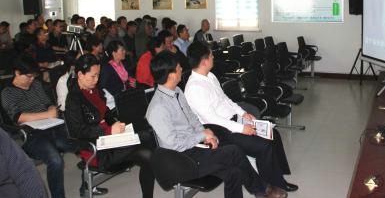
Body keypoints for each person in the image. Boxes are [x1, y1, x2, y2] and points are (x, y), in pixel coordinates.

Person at [146, 51, 286, 198]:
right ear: (171, 74)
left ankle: (261, 190)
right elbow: (173, 144)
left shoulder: (177, 91)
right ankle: (263, 190)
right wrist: (201, 136)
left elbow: (192, 118)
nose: (182, 69)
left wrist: (206, 134)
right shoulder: (158, 108)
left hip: (195, 145)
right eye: (179, 67)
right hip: (180, 159)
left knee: (234, 172)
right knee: (234, 151)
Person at [184, 41, 298, 192]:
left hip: (233, 121)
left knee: (273, 134)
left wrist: (243, 113)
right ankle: (270, 187)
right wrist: (242, 128)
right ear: (204, 61)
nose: (213, 57)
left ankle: (278, 178)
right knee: (264, 145)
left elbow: (226, 100)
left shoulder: (210, 76)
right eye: (211, 55)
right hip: (222, 131)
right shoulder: (194, 88)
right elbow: (212, 120)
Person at [65, 54, 155, 198]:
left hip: (109, 140)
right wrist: (108, 129)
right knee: (145, 140)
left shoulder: (95, 89)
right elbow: (78, 131)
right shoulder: (74, 99)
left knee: (147, 145)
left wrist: (115, 123)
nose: (97, 80)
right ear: (80, 74)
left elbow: (105, 113)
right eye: (93, 76)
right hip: (96, 148)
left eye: (98, 75)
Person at [1, 55, 79, 198]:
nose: (31, 80)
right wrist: (48, 114)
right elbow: (18, 117)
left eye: (33, 76)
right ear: (17, 73)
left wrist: (51, 108)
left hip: (51, 126)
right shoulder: (7, 92)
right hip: (29, 134)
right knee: (55, 160)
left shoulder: (36, 84)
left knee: (79, 141)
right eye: (28, 76)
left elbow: (47, 102)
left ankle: (89, 180)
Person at [0, 127, 47, 198]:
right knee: (55, 160)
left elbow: (24, 170)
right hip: (31, 135)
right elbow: (18, 117)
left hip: (46, 131)